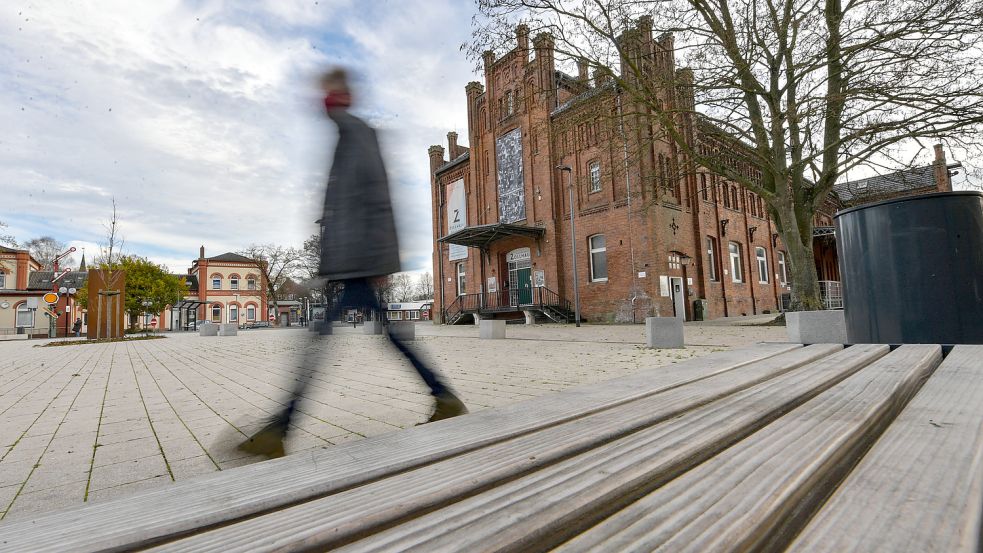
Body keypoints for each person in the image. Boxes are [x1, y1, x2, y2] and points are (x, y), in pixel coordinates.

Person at [238, 68, 468, 459]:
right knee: (384, 336)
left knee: (321, 341)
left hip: (358, 262)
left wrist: (376, 259)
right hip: (350, 262)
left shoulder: (357, 134)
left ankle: (279, 428)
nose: (322, 99)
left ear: (341, 94)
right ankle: (443, 397)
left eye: (327, 91)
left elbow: (376, 198)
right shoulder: (346, 135)